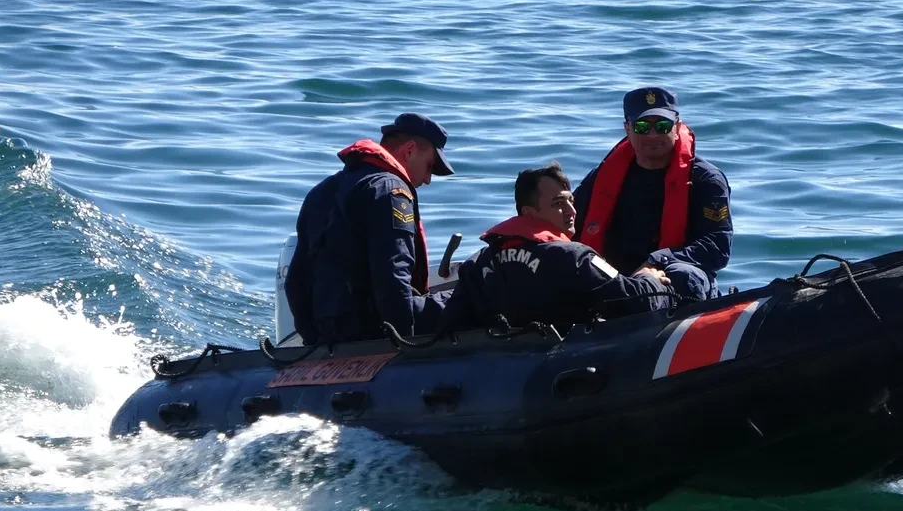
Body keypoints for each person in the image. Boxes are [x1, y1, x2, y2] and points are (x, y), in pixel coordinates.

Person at [444, 162, 674, 333]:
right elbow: (638, 302)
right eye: (558, 204)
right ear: (529, 213)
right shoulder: (574, 257)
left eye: (571, 202)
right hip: (570, 367)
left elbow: (453, 322)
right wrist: (649, 279)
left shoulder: (479, 262)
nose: (572, 212)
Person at [285, 112, 454, 345]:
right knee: (471, 297)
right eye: (429, 166)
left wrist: (315, 342)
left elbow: (296, 280)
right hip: (371, 327)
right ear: (410, 150)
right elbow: (392, 276)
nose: (427, 180)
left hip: (328, 329)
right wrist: (405, 345)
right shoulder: (391, 190)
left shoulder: (321, 191)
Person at [573, 86, 733, 301]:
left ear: (677, 127)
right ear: (627, 129)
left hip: (672, 275)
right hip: (615, 277)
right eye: (641, 127)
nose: (652, 134)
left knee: (683, 275)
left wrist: (657, 261)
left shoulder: (706, 180)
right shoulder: (603, 177)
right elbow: (568, 225)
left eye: (662, 126)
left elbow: (717, 247)